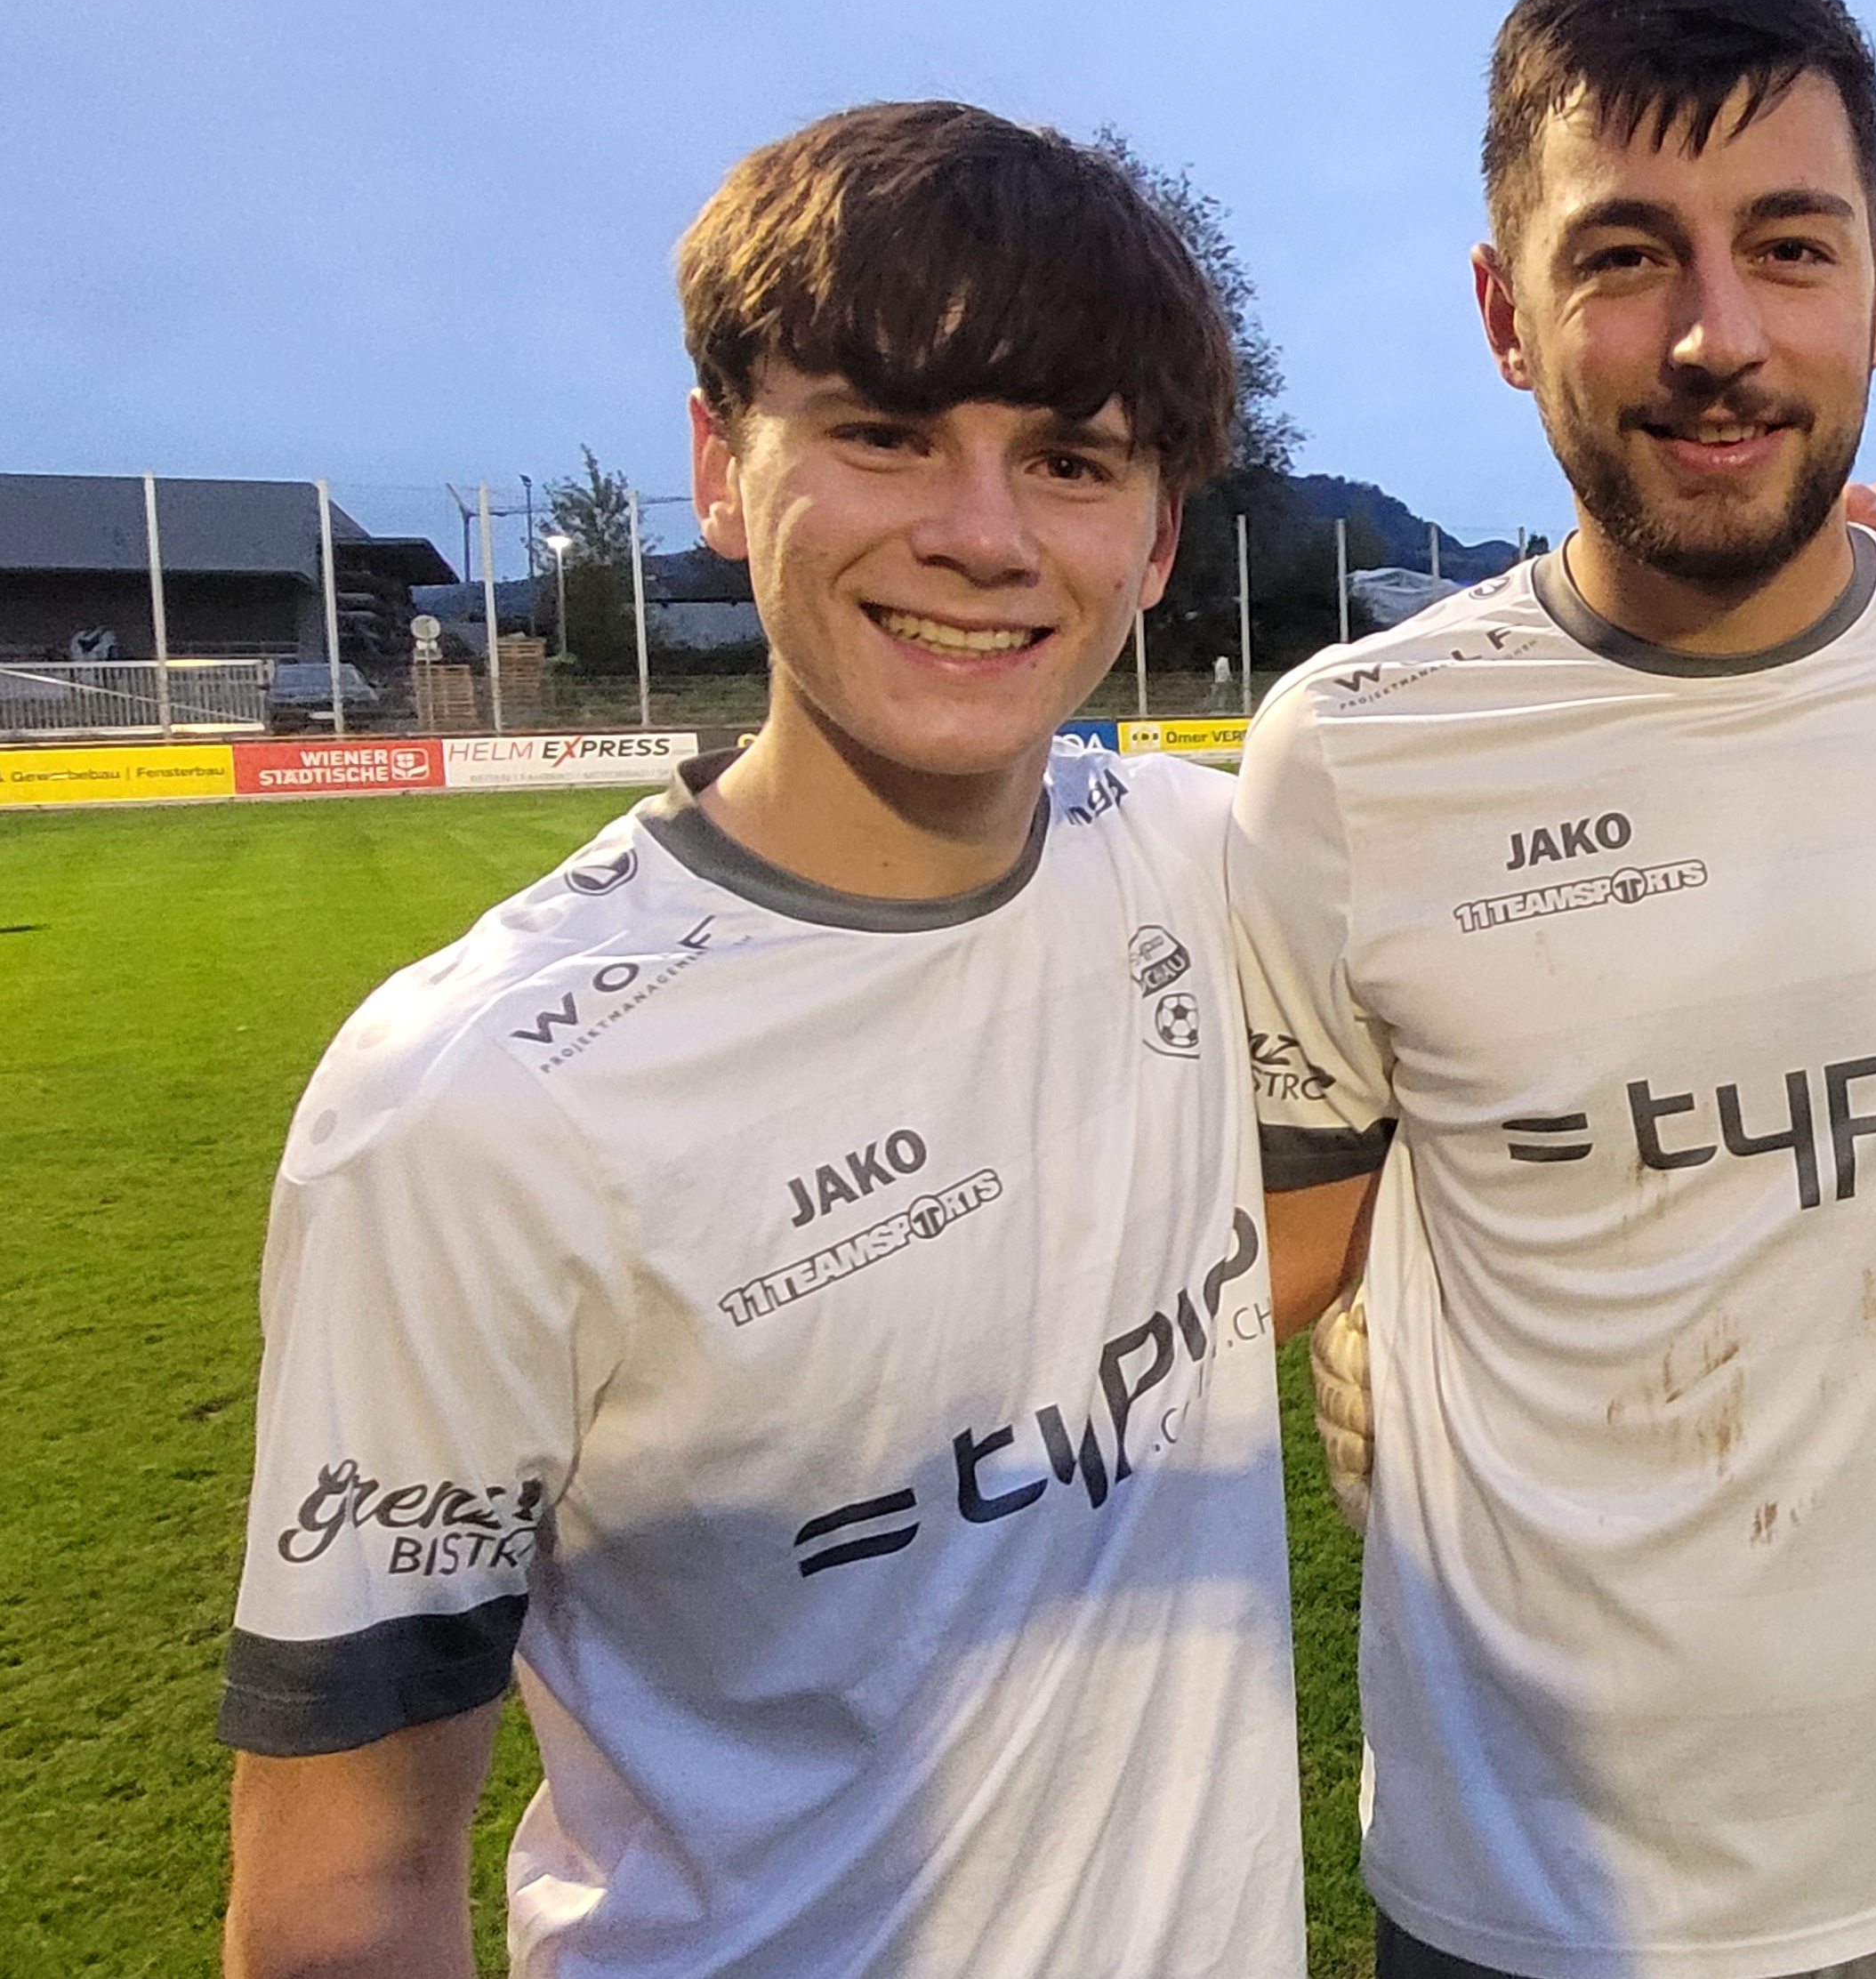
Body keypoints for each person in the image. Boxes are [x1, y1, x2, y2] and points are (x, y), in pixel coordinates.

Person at [217, 101, 1333, 1977]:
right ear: (720, 470)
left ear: (1155, 539)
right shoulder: (468, 1103)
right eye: (885, 433)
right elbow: (345, 1889)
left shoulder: (1213, 866)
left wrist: (1845, 583)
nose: (979, 534)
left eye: (1068, 459)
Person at [1233, 0, 1876, 1979]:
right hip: (1530, 1897)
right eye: (1623, 254)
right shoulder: (1348, 756)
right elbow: (1257, 1275)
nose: (1714, 335)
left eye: (1787, 246)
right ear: (1502, 309)